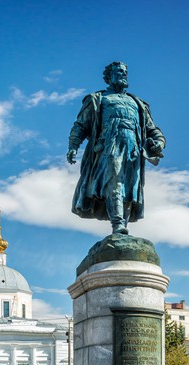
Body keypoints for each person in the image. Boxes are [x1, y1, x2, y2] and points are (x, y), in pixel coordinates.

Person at [67, 61, 165, 235]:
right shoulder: (99, 99)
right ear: (109, 77)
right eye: (119, 72)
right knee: (115, 181)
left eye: (125, 72)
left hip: (133, 148)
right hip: (109, 146)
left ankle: (122, 225)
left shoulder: (138, 103)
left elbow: (152, 130)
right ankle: (118, 224)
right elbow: (80, 125)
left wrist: (159, 143)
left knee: (130, 188)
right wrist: (73, 146)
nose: (123, 74)